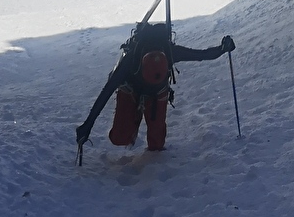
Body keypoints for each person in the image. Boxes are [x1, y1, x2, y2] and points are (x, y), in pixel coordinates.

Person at [75, 20, 235, 154]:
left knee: (157, 145)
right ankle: (133, 118)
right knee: (119, 139)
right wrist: (87, 125)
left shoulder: (170, 51)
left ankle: (140, 121)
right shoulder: (131, 60)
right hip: (131, 90)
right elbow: (107, 90)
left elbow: (201, 55)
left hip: (157, 93)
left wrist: (222, 48)